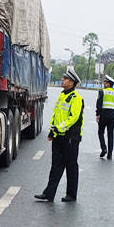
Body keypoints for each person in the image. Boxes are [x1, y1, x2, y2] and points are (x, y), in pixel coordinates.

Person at [35, 67, 84, 203]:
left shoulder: (76, 98)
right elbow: (56, 115)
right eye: (63, 78)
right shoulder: (62, 96)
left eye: (66, 78)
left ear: (72, 82)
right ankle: (49, 194)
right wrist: (52, 131)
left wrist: (59, 128)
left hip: (71, 138)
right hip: (58, 137)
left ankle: (71, 194)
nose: (63, 80)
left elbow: (73, 118)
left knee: (71, 166)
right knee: (55, 166)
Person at [96, 75, 114, 159]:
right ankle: (110, 154)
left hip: (103, 115)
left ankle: (104, 149)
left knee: (100, 132)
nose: (104, 83)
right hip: (112, 117)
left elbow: (99, 104)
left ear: (108, 84)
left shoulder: (102, 91)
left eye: (105, 82)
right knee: (110, 135)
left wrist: (97, 115)